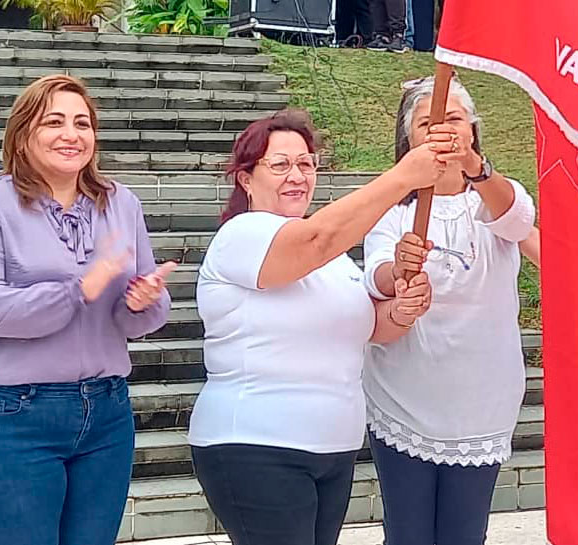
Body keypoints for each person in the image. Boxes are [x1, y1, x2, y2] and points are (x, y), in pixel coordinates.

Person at [188, 109, 443, 545]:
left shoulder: (335, 260)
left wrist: (403, 309)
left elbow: (370, 327)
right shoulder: (243, 236)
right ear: (246, 179)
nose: (297, 175)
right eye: (280, 164)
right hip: (256, 445)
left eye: (306, 163)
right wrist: (402, 178)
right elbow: (317, 240)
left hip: (332, 449)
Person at [0, 75, 174, 545]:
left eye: (82, 123)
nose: (72, 134)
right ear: (23, 134)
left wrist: (142, 299)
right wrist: (77, 290)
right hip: (10, 417)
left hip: (105, 414)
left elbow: (137, 312)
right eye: (54, 122)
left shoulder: (121, 203)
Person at [361, 76, 539, 545]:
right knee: (408, 533)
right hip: (404, 396)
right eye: (427, 124)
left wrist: (475, 167)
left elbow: (519, 221)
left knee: (465, 533)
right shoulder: (392, 209)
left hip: (481, 404)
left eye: (454, 120)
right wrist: (397, 271)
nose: (441, 131)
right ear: (409, 139)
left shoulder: (493, 198)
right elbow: (375, 272)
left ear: (473, 130)